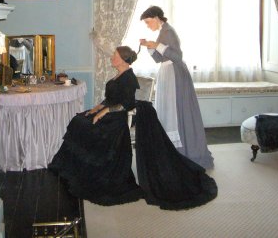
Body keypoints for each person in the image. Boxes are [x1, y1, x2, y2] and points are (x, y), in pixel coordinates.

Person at [48, 46, 217, 210]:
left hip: (118, 118)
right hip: (109, 114)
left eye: (115, 55)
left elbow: (126, 103)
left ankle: (96, 168)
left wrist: (105, 111)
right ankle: (78, 168)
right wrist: (97, 108)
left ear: (122, 59)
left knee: (87, 127)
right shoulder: (118, 75)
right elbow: (110, 98)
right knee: (79, 120)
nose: (112, 58)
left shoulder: (129, 77)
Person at [139, 6, 214, 170]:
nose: (147, 25)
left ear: (156, 17)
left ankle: (185, 151)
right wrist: (150, 47)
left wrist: (157, 44)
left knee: (178, 111)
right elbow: (160, 59)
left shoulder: (168, 31)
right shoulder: (162, 32)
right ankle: (173, 151)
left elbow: (177, 56)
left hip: (175, 74)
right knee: (169, 111)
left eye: (148, 21)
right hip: (167, 73)